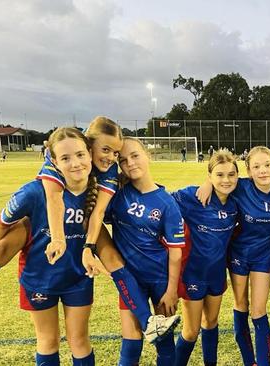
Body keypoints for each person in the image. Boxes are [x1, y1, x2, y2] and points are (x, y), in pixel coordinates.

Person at [0, 117, 178, 344]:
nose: (110, 157)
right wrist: (58, 239)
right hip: (44, 226)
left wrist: (89, 247)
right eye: (105, 149)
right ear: (87, 144)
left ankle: (148, 323)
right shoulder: (47, 175)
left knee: (113, 258)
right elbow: (53, 200)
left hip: (84, 225)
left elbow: (98, 212)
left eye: (115, 152)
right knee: (8, 243)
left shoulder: (109, 171)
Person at [0, 127, 96, 365]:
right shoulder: (33, 192)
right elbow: (1, 224)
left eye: (80, 154)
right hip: (38, 279)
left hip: (78, 278)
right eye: (65, 158)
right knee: (48, 340)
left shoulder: (97, 191)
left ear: (90, 154)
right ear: (54, 162)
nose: (76, 163)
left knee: (79, 339)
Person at [196, 146, 270, 366]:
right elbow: (222, 182)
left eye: (267, 165)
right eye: (256, 166)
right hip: (239, 254)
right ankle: (250, 361)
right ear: (247, 171)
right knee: (241, 305)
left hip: (264, 256)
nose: (263, 170)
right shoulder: (241, 186)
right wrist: (208, 182)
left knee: (259, 310)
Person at [109, 137, 185, 366]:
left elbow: (175, 253)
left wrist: (172, 290)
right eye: (123, 160)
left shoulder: (166, 203)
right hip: (130, 279)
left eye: (135, 156)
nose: (130, 163)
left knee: (164, 341)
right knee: (131, 340)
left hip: (160, 278)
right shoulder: (117, 195)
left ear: (148, 156)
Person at [171, 149, 239, 366]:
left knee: (211, 322)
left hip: (217, 274)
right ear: (209, 176)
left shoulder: (236, 201)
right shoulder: (194, 196)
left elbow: (264, 180)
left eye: (231, 174)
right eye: (219, 175)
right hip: (193, 274)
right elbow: (161, 203)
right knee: (191, 331)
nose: (226, 180)